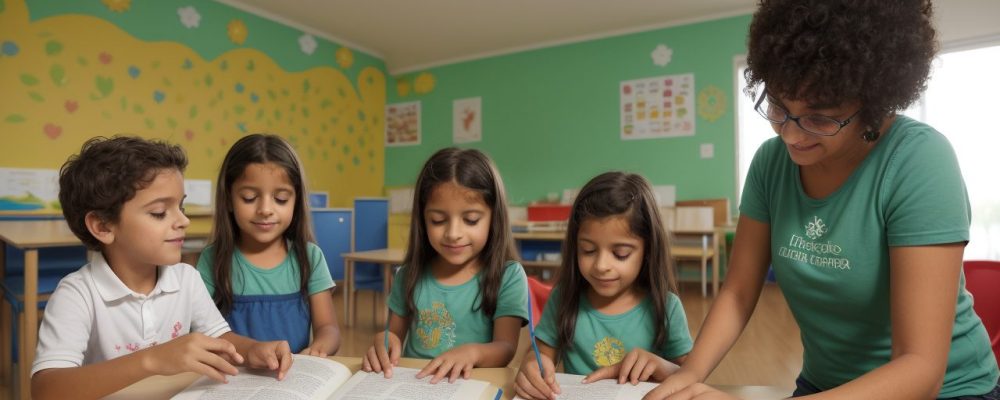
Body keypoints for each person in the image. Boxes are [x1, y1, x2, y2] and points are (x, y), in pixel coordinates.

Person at [644, 1, 1000, 399]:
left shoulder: (919, 161)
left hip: (949, 390)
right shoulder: (770, 164)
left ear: (873, 103)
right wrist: (688, 373)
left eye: (819, 117)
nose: (791, 135)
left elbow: (921, 368)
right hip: (826, 385)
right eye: (778, 107)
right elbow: (738, 292)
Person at [31, 136, 292, 400]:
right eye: (159, 212)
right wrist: (152, 360)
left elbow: (221, 337)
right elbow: (46, 390)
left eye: (181, 206)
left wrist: (254, 349)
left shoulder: (186, 278)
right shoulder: (77, 294)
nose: (184, 220)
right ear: (103, 226)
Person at [515, 171, 693, 400]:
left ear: (648, 250)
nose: (601, 265)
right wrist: (532, 363)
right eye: (588, 250)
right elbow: (541, 354)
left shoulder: (666, 307)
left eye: (620, 254)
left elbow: (692, 375)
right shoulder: (564, 298)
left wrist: (664, 369)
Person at [362, 147, 529, 384]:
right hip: (414, 385)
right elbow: (394, 336)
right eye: (438, 220)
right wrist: (384, 340)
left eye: (471, 220)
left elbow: (506, 347)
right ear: (422, 219)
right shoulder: (409, 274)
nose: (453, 234)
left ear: (494, 217)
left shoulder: (507, 276)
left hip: (471, 386)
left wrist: (472, 353)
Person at [197, 133, 340, 356]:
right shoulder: (212, 259)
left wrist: (320, 346)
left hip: (289, 381)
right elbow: (202, 330)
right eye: (249, 197)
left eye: (281, 199)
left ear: (296, 201)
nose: (265, 209)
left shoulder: (310, 257)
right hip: (233, 380)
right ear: (229, 200)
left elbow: (328, 328)